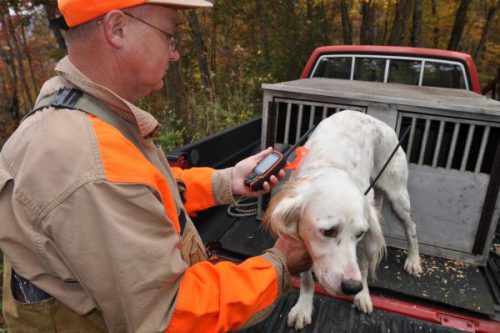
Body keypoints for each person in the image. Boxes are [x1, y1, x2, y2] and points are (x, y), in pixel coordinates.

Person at [0, 0, 312, 332]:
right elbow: (171, 315)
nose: (174, 54)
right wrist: (278, 263)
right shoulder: (88, 164)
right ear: (117, 28)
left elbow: (143, 191)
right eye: (169, 35)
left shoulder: (78, 107)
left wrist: (227, 181)